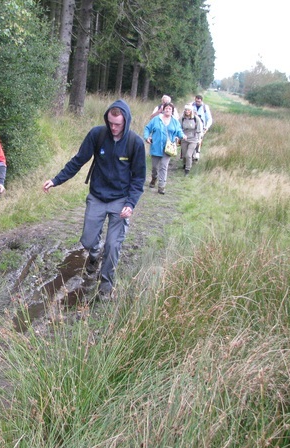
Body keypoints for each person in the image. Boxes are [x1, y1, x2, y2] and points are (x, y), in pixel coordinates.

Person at [42, 99, 145, 299]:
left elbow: (139, 178)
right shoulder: (97, 135)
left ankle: (105, 288)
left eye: (118, 124)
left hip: (121, 201)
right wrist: (56, 180)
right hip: (97, 196)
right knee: (88, 241)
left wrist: (130, 204)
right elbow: (78, 161)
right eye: (111, 123)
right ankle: (94, 254)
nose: (114, 128)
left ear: (126, 121)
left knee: (113, 245)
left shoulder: (135, 143)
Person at [143, 103, 186, 194]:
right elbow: (147, 128)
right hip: (156, 146)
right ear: (163, 109)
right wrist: (147, 137)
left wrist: (182, 136)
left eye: (170, 109)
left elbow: (179, 131)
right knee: (155, 167)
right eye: (166, 108)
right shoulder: (156, 119)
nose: (168, 110)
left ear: (172, 111)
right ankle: (154, 178)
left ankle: (161, 186)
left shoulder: (174, 121)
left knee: (163, 166)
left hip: (168, 148)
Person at [179, 104, 204, 175]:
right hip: (184, 138)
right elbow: (179, 128)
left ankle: (187, 169)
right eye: (186, 110)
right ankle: (184, 164)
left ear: (191, 111)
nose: (187, 111)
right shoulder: (182, 119)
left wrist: (199, 139)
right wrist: (179, 136)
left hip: (193, 138)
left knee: (188, 155)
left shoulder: (196, 119)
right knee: (184, 155)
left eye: (189, 110)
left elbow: (199, 130)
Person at [192, 94, 212, 160]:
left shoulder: (205, 107)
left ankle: (197, 154)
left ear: (201, 101)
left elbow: (209, 118)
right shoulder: (191, 105)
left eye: (199, 101)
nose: (197, 103)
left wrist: (206, 127)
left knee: (199, 140)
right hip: (191, 126)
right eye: (196, 101)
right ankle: (191, 155)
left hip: (201, 127)